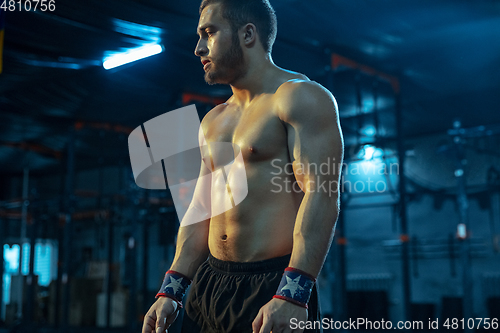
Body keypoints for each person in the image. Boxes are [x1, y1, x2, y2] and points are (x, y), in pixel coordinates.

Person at [142, 0, 343, 332]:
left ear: (248, 34)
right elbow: (200, 209)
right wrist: (172, 289)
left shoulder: (299, 98)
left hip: (272, 289)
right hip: (210, 284)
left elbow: (322, 195)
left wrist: (293, 294)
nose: (198, 48)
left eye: (209, 32)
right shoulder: (213, 120)